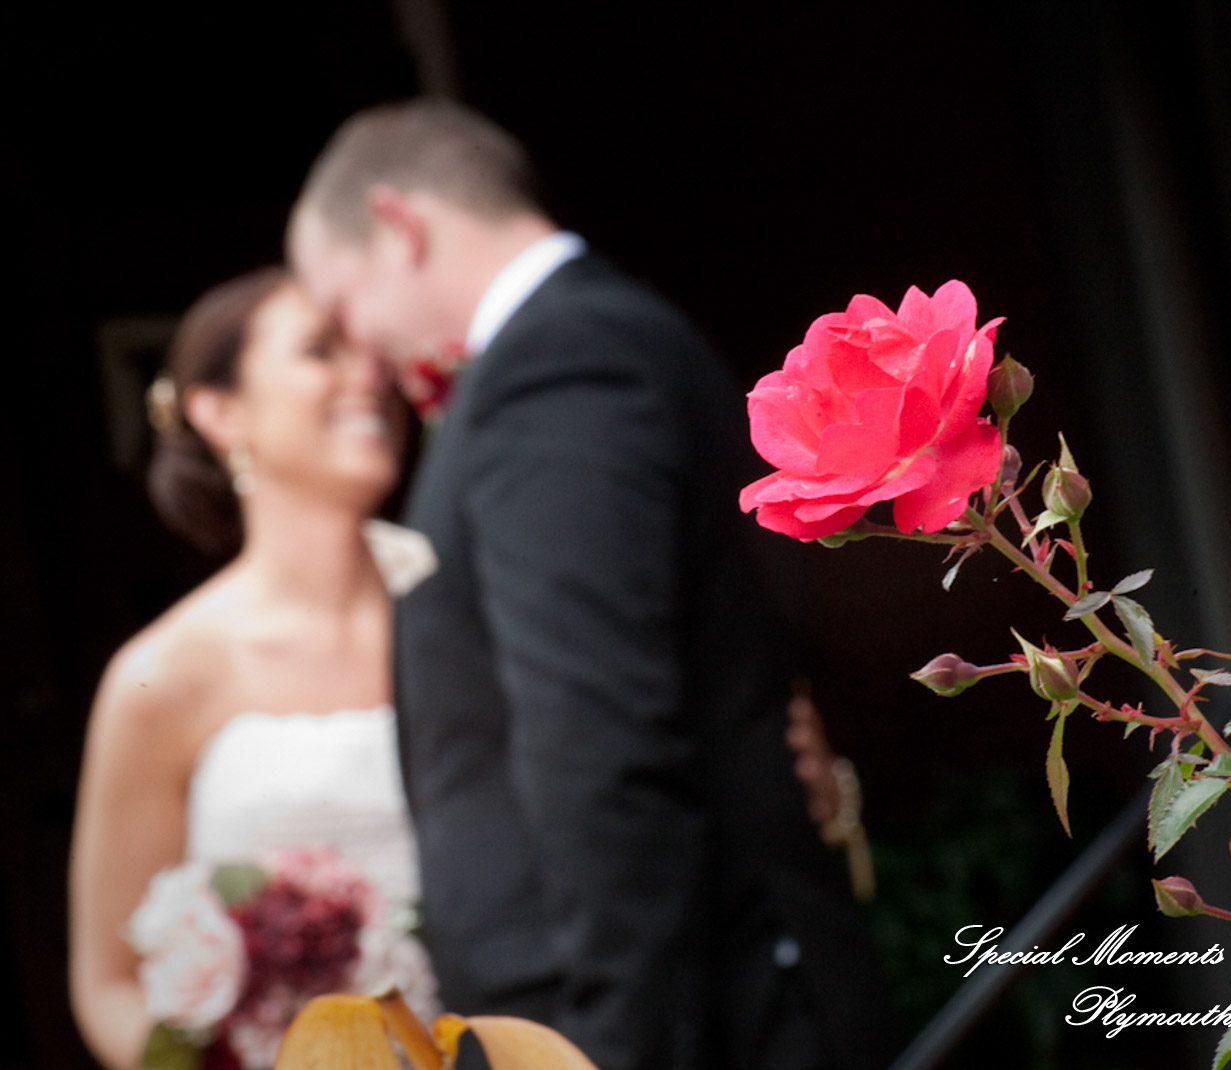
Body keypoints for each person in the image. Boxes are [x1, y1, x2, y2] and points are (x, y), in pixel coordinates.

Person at [288, 99, 895, 1070]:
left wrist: (616, 1040)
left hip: (659, 1018)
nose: (359, 347)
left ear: (400, 229)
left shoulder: (559, 364)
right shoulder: (589, 342)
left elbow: (597, 729)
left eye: (342, 301)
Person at [68, 267, 434, 1070]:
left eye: (373, 352)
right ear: (220, 411)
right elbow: (109, 982)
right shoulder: (165, 673)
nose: (368, 374)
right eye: (320, 352)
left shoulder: (459, 617)